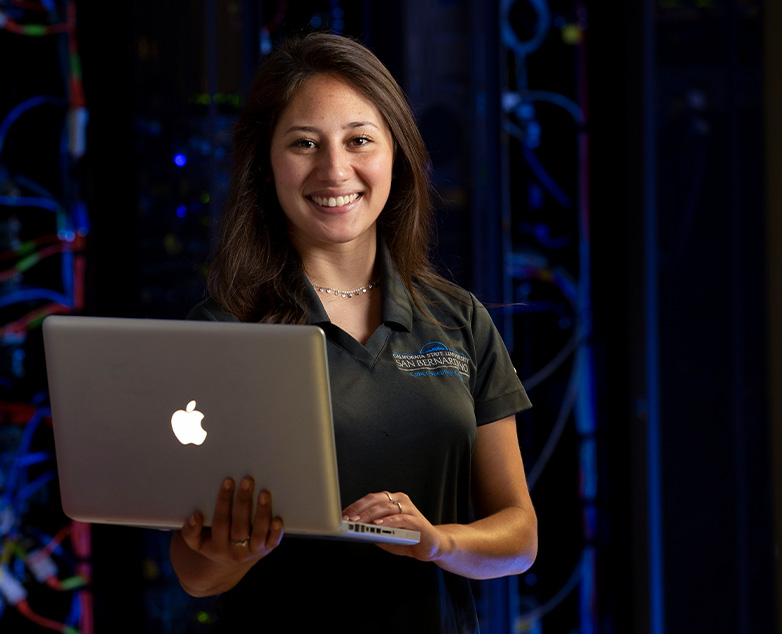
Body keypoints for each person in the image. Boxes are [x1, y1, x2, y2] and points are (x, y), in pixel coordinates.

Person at [168, 32, 537, 632]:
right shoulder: (224, 330)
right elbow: (193, 573)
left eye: (359, 140)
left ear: (397, 152)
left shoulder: (459, 319)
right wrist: (232, 552)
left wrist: (436, 542)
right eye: (304, 143)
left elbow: (519, 537)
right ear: (266, 163)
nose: (334, 169)